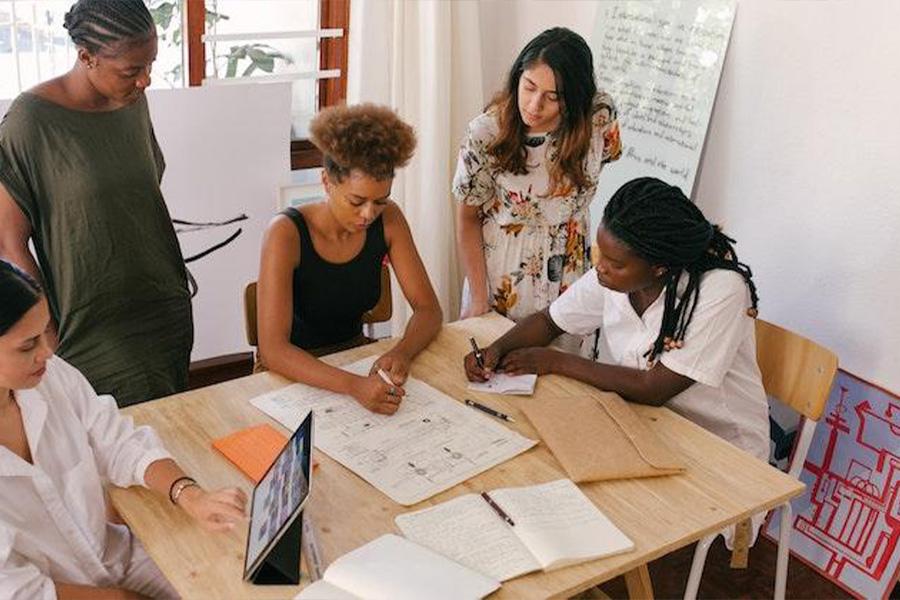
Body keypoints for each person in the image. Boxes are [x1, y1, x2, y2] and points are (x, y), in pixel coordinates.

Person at [464, 177, 769, 465]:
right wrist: (497, 349)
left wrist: (554, 362)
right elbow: (550, 321)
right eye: (602, 256)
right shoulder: (614, 278)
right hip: (647, 426)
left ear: (659, 267)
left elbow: (654, 388)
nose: (600, 268)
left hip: (721, 449)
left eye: (615, 264)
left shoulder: (720, 290)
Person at [0, 259, 246, 599]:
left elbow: (118, 442)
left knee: (233, 577)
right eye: (28, 345)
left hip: (116, 559)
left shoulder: (51, 377)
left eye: (45, 333)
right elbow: (20, 591)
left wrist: (189, 495)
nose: (48, 352)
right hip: (57, 594)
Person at [0, 0, 192, 407]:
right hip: (88, 322)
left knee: (169, 431)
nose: (145, 80)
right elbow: (9, 244)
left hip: (162, 306)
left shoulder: (132, 102)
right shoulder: (30, 122)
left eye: (150, 65)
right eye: (132, 70)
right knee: (111, 446)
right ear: (86, 57)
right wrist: (46, 329)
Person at [257, 104, 443, 416]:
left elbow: (428, 309)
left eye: (380, 201)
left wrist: (402, 352)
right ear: (327, 182)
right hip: (291, 376)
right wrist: (353, 386)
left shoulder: (389, 220)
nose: (369, 214)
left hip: (354, 360)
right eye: (356, 201)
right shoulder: (285, 233)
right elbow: (273, 351)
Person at [454, 27, 622, 339]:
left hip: (572, 275)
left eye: (552, 97)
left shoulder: (599, 117)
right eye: (528, 86)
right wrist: (479, 298)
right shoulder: (486, 133)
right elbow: (467, 219)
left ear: (573, 97)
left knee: (564, 381)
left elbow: (605, 158)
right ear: (518, 75)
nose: (533, 105)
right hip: (503, 278)